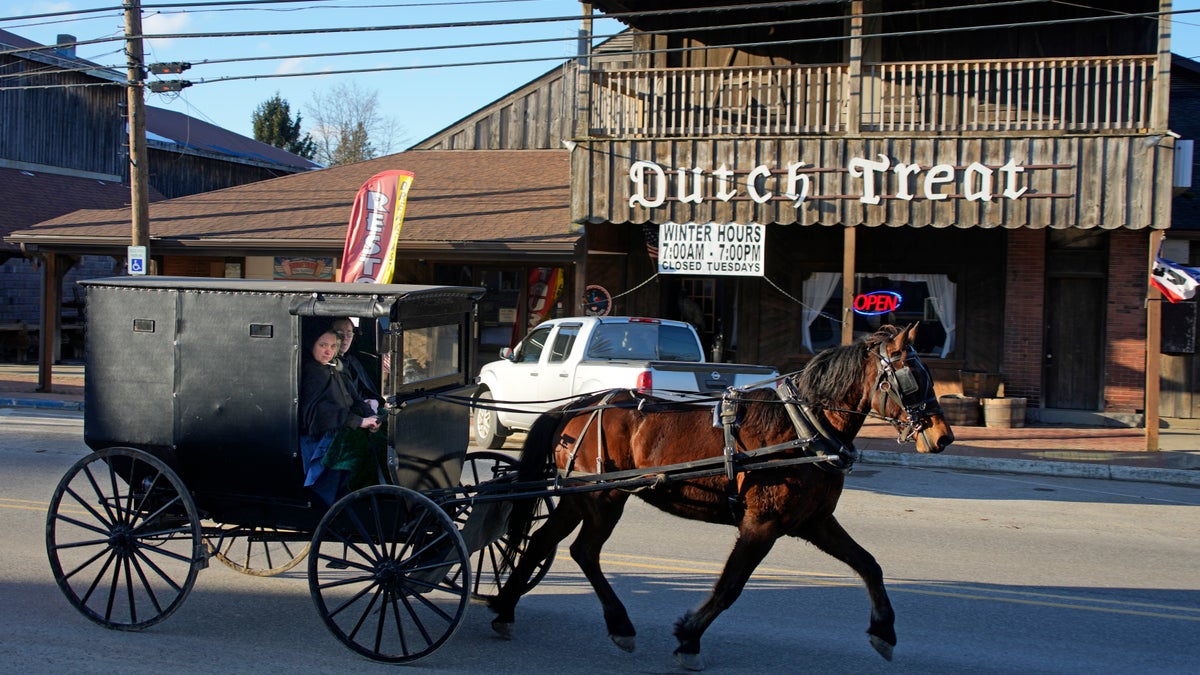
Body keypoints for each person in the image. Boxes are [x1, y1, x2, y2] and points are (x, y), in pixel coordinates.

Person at [299, 321, 382, 505]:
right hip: (321, 438)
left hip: (343, 427)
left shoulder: (335, 368)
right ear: (313, 345)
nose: (328, 351)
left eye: (332, 346)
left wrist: (371, 416)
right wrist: (359, 422)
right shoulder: (312, 372)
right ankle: (343, 499)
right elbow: (320, 413)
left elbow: (355, 398)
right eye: (323, 345)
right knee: (357, 451)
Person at [331, 317, 384, 412]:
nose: (345, 338)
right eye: (339, 333)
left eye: (349, 333)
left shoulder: (353, 361)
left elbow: (370, 392)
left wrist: (374, 402)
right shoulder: (328, 366)